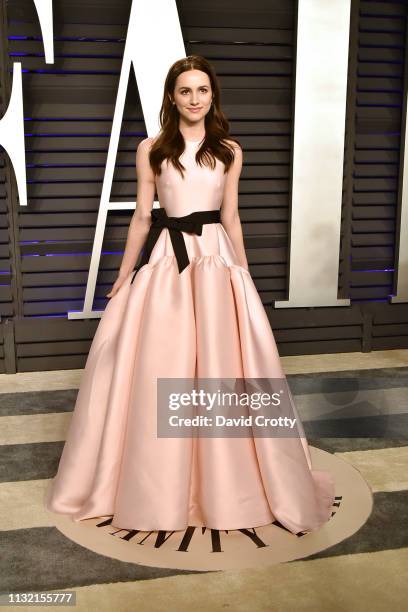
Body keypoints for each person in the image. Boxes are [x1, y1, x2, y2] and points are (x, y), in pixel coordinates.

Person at [45, 55, 335, 534]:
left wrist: (242, 273)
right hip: (168, 261)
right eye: (186, 91)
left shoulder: (229, 150)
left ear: (212, 96)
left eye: (203, 90)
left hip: (214, 260)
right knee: (163, 361)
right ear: (172, 98)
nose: (196, 99)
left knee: (225, 362)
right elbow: (142, 217)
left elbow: (232, 216)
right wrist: (122, 277)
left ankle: (226, 476)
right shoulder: (151, 149)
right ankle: (158, 479)